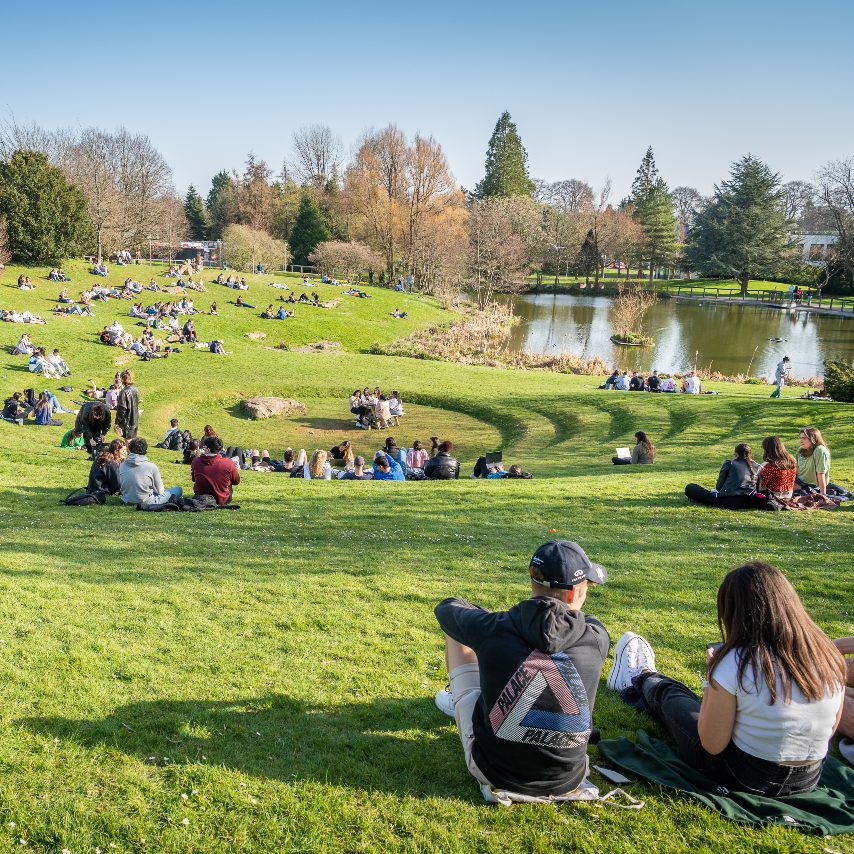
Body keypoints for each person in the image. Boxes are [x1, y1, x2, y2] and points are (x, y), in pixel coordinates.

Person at [608, 561, 845, 796]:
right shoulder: (829, 655)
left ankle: (643, 676)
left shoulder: (736, 662)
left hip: (745, 777)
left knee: (674, 698)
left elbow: (712, 744)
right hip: (808, 779)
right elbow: (831, 728)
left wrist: (713, 677)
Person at [433, 540, 609, 800]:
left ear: (532, 583)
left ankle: (464, 701)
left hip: (495, 772)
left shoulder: (494, 627)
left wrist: (487, 620)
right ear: (574, 594)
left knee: (456, 633)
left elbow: (447, 608)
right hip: (567, 778)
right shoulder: (596, 637)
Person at [684, 444, 762, 510]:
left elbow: (718, 487)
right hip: (748, 501)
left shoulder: (730, 463)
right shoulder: (758, 467)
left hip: (728, 501)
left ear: (736, 454)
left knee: (690, 487)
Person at [119, 437, 183, 507]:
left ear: (130, 449)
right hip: (147, 501)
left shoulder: (122, 465)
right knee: (178, 490)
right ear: (145, 450)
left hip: (126, 500)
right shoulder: (151, 467)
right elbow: (160, 491)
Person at [191, 436, 240, 505]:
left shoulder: (196, 461)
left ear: (207, 449)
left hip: (200, 498)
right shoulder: (228, 463)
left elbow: (194, 479)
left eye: (204, 448)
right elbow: (236, 481)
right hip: (222, 499)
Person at [795, 427, 830, 497]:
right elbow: (796, 469)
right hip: (799, 481)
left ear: (813, 439)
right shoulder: (800, 449)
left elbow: (821, 473)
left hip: (813, 485)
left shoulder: (820, 450)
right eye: (800, 438)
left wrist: (823, 495)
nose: (801, 441)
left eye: (804, 438)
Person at [116, 370, 140, 438]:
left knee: (128, 443)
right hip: (135, 419)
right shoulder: (135, 389)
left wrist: (117, 422)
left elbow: (122, 409)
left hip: (127, 422)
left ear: (123, 379)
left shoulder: (123, 392)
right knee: (132, 441)